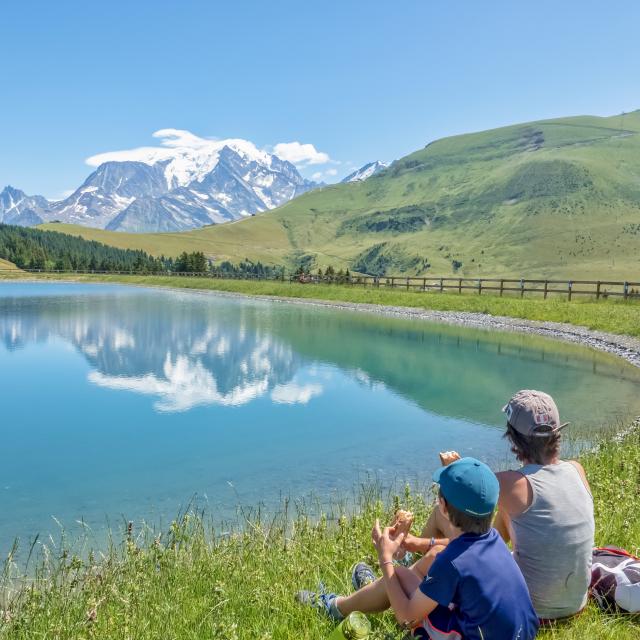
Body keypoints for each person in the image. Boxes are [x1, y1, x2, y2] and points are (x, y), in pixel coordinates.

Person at [300, 457, 539, 639]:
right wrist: (416, 544)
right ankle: (366, 594)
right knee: (404, 575)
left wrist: (385, 558)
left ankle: (335, 607)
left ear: (443, 506)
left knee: (398, 587)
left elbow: (405, 616)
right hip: (520, 633)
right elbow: (456, 550)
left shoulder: (452, 564)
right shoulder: (494, 538)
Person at [422, 390, 595, 621]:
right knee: (507, 513)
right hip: (575, 603)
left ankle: (412, 568)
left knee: (441, 512)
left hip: (527, 608)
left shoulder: (511, 484)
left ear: (513, 438)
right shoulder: (577, 469)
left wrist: (455, 469)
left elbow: (470, 493)